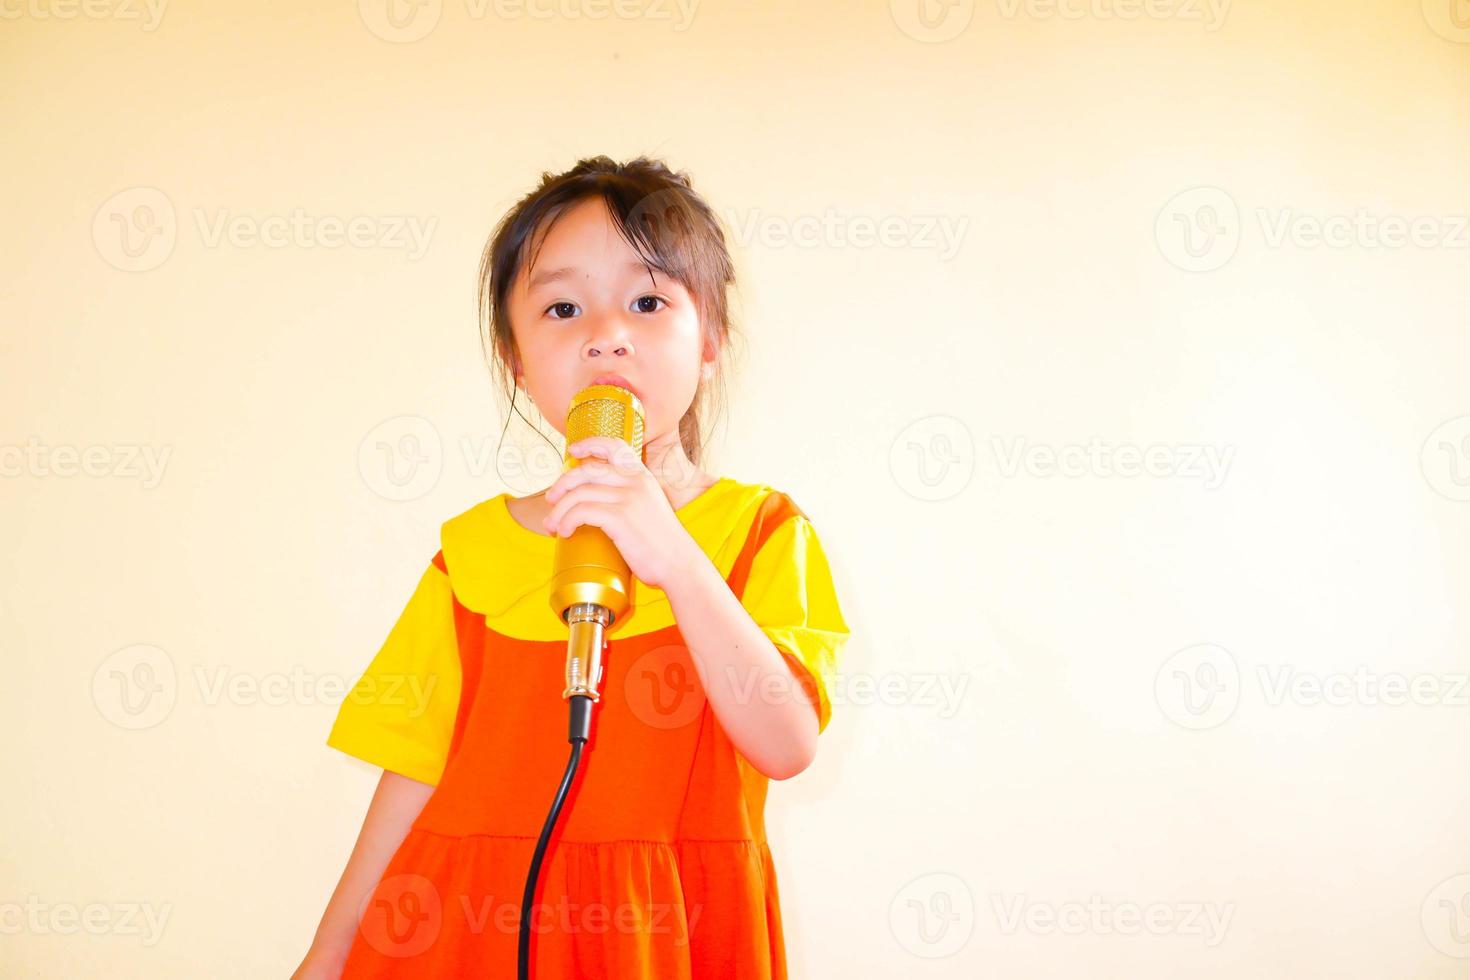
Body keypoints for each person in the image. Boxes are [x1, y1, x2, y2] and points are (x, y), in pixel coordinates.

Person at [293, 156, 850, 978]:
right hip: (465, 928)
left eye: (649, 302)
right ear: (515, 356)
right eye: (562, 307)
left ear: (712, 342)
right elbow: (412, 773)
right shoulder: (471, 554)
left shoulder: (760, 532)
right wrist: (328, 952)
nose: (606, 334)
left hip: (659, 935)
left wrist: (669, 554)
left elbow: (785, 741)